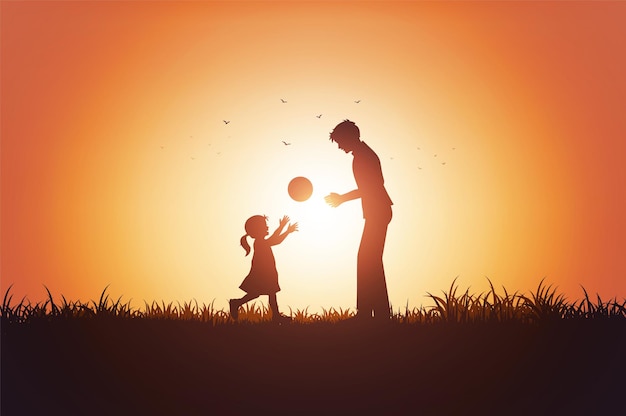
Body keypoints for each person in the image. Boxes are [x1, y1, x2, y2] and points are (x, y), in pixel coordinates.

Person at [325, 120, 393, 321]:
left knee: (367, 260)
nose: (339, 146)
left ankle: (368, 314)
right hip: (377, 211)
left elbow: (371, 188)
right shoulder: (363, 155)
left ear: (349, 137)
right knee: (370, 261)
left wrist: (342, 198)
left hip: (378, 211)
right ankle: (378, 314)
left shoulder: (364, 156)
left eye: (340, 141)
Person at [230, 214, 298, 323]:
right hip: (263, 273)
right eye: (264, 226)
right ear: (257, 230)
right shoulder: (260, 242)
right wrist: (285, 230)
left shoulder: (261, 241)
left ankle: (275, 316)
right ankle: (237, 303)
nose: (267, 227)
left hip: (267, 272)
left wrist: (283, 228)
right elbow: (276, 240)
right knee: (266, 293)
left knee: (268, 293)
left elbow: (274, 239)